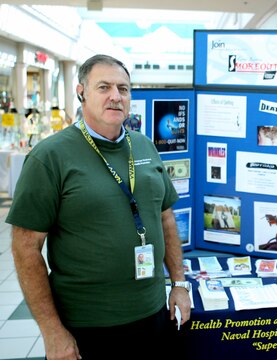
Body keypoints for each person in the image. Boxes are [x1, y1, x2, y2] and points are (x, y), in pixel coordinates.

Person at [7, 54, 191, 360]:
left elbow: (166, 220)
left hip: (154, 314)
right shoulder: (49, 156)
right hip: (88, 326)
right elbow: (25, 249)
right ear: (81, 92)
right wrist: (52, 331)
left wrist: (179, 284)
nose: (115, 96)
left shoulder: (144, 145)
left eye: (124, 88)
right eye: (103, 87)